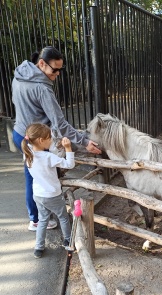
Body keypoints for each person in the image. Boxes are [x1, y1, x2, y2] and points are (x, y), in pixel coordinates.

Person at [12, 46, 102, 231]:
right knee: (39, 178)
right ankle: (37, 219)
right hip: (37, 139)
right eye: (55, 69)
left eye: (61, 69)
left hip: (19, 133)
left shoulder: (19, 75)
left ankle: (37, 216)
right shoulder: (42, 89)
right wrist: (84, 142)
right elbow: (60, 124)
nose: (58, 73)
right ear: (42, 63)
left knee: (33, 176)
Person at [21, 123, 75, 258]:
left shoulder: (27, 154)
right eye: (49, 138)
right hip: (52, 195)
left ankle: (38, 248)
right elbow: (69, 164)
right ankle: (68, 240)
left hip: (38, 195)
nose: (51, 140)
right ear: (41, 140)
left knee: (43, 219)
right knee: (63, 217)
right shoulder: (48, 157)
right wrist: (68, 148)